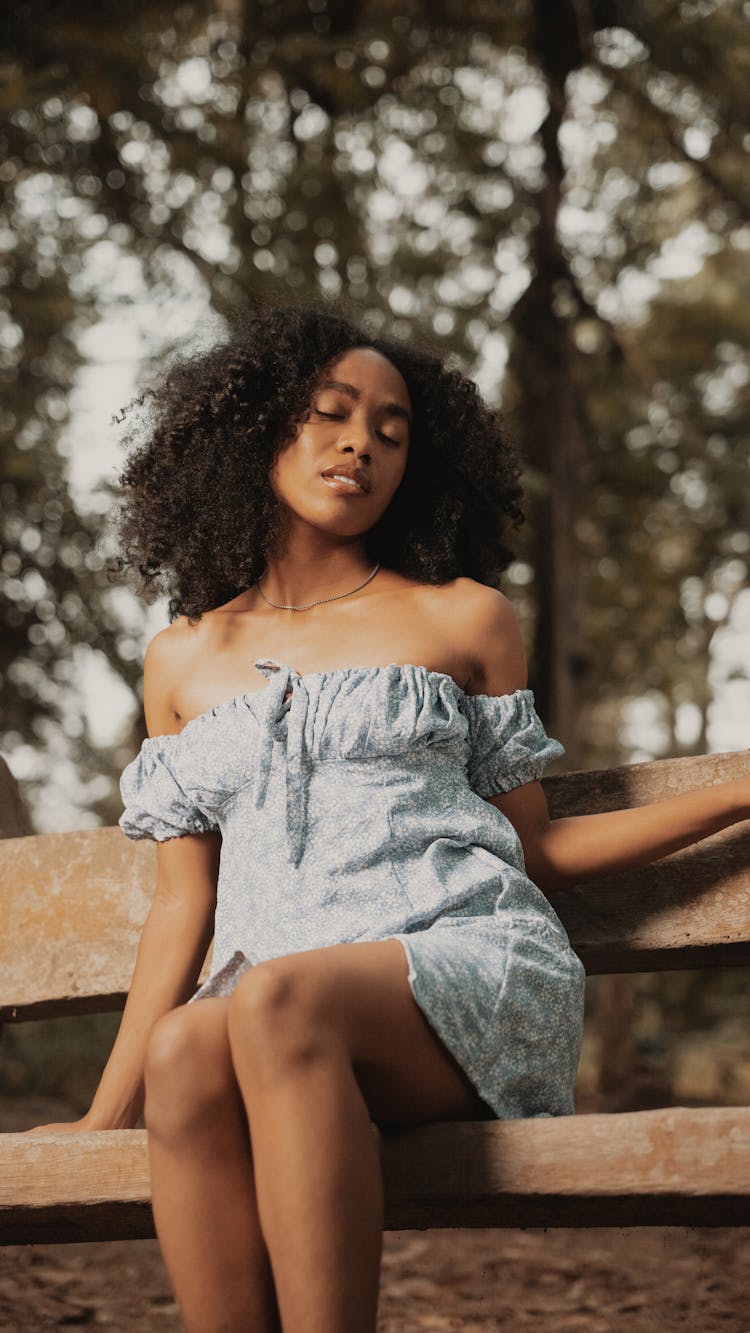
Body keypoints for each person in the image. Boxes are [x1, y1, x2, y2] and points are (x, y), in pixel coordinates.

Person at [29, 301, 750, 1333]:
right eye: (329, 414)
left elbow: (537, 847)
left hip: (463, 966)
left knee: (275, 1004)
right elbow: (181, 905)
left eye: (392, 430)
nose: (360, 441)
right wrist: (104, 1115)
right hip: (276, 1011)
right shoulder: (180, 659)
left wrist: (733, 792)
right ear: (260, 430)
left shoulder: (461, 617)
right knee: (186, 1049)